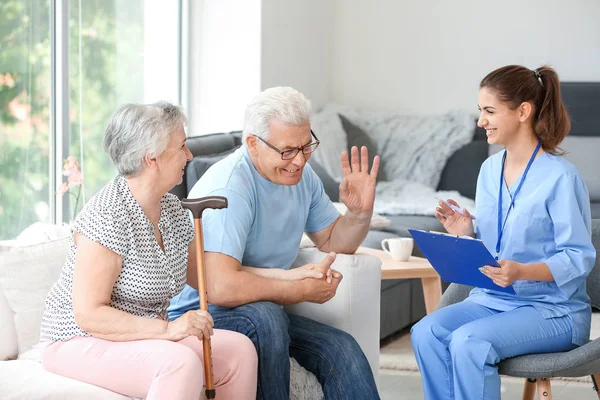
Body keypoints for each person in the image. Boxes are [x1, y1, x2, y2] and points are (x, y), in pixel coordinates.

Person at [168, 87, 381, 399]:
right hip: (203, 312)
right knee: (267, 317)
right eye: (287, 151)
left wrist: (359, 213)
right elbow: (220, 287)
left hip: (262, 309)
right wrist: (299, 289)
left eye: (306, 147)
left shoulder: (302, 178)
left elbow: (333, 240)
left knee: (341, 348)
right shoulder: (232, 186)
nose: (298, 160)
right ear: (253, 144)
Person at [39, 102, 257, 400]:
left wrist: (291, 279)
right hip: (77, 338)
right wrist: (169, 330)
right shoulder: (108, 214)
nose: (190, 155)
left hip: (142, 337)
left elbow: (210, 278)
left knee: (239, 350)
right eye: (182, 146)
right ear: (152, 158)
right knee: (178, 364)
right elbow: (89, 314)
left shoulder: (173, 211)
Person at [410, 65, 597, 400]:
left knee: (470, 343)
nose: (481, 121)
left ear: (523, 111)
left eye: (489, 111)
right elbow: (499, 239)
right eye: (480, 111)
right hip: (492, 299)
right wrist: (467, 231)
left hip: (552, 310)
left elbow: (577, 257)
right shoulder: (489, 170)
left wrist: (521, 271)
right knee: (427, 332)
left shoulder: (561, 178)